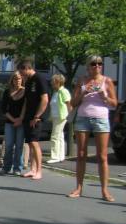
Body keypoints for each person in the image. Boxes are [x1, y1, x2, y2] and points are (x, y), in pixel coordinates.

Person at [67, 55, 118, 202]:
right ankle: (78, 188)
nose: (97, 66)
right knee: (81, 154)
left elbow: (114, 104)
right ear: (88, 66)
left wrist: (104, 97)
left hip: (101, 119)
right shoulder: (82, 81)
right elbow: (73, 102)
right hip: (83, 118)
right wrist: (84, 92)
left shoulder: (107, 81)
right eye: (93, 64)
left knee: (102, 156)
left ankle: (104, 190)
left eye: (99, 64)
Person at [19, 59, 49, 180]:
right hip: (28, 116)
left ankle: (39, 171)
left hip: (36, 118)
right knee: (30, 143)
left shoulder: (39, 79)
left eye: (22, 72)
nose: (21, 75)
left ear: (27, 68)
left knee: (34, 142)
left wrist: (37, 116)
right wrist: (23, 116)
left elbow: (45, 99)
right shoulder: (28, 81)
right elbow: (26, 101)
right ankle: (32, 169)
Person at [0, 71, 26, 175]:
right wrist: (13, 120)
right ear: (12, 80)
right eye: (15, 79)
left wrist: (20, 119)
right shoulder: (7, 92)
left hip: (21, 122)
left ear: (22, 80)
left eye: (19, 79)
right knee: (9, 145)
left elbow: (26, 107)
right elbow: (3, 109)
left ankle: (17, 168)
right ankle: (6, 167)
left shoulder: (25, 91)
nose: (17, 81)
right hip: (9, 122)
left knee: (19, 145)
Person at [46, 73, 72, 164]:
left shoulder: (63, 91)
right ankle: (61, 156)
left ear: (58, 82)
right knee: (60, 136)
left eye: (53, 82)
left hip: (61, 117)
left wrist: (69, 116)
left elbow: (68, 104)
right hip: (56, 116)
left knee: (54, 136)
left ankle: (55, 156)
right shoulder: (55, 92)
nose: (52, 84)